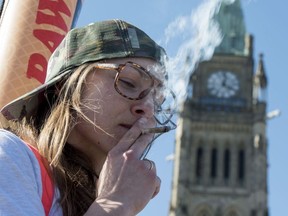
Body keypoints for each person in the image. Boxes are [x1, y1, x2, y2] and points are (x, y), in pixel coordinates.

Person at [0, 19, 176, 216]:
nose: (148, 109)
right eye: (128, 82)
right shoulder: (11, 156)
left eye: (157, 99)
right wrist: (114, 204)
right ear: (66, 86)